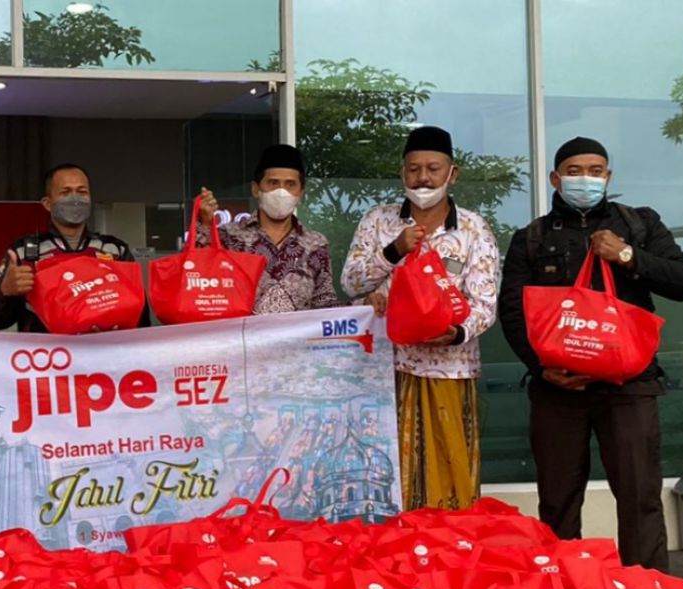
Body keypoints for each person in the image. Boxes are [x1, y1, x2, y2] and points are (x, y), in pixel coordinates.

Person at [499, 136, 683, 570]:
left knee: (640, 497)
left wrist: (628, 255)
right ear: (555, 178)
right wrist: (541, 367)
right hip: (557, 390)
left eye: (595, 170)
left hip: (631, 386)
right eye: (574, 171)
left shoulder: (640, 224)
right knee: (557, 501)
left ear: (608, 177)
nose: (584, 179)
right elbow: (512, 313)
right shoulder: (530, 237)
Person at [341, 126, 500, 512]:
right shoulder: (378, 221)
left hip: (450, 369)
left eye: (433, 168)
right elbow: (350, 283)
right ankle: (391, 551)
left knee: (451, 473)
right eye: (414, 169)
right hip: (384, 368)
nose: (423, 178)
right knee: (387, 467)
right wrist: (392, 251)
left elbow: (486, 302)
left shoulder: (474, 229)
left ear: (453, 173)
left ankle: (450, 552)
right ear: (403, 173)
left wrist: (457, 331)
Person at [0, 162, 146, 332]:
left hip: (105, 353)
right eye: (65, 192)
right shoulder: (23, 253)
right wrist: (6, 292)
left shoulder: (115, 250)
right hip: (48, 356)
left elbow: (141, 317)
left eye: (82, 192)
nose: (75, 199)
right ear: (47, 203)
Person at [196, 144, 339, 313]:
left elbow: (325, 305)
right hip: (239, 337)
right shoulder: (227, 236)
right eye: (273, 183)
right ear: (256, 189)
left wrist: (365, 306)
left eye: (290, 184)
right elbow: (195, 278)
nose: (281, 191)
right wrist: (205, 224)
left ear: (301, 194)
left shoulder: (316, 244)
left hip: (297, 339)